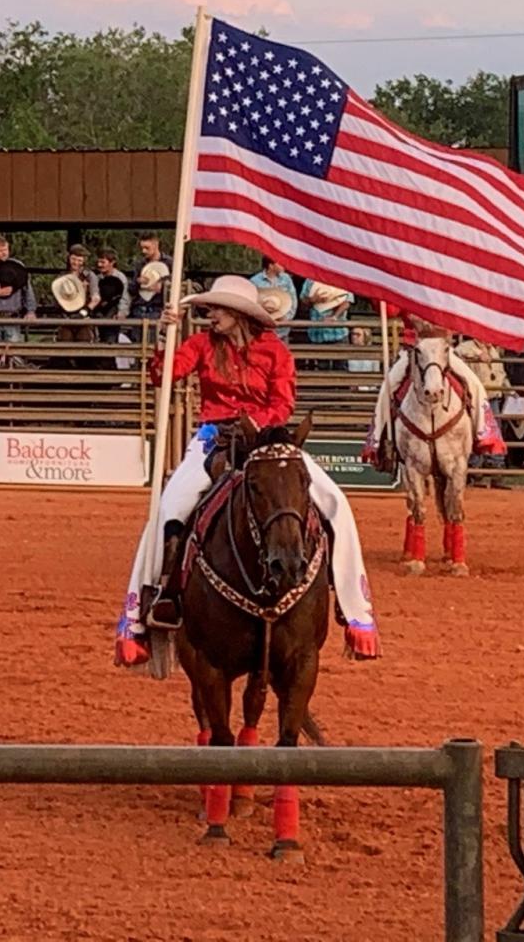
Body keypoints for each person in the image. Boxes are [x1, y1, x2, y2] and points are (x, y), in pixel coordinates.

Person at [115, 274, 380, 667]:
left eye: (216, 308)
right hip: (213, 438)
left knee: (335, 502)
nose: (209, 315)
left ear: (238, 314)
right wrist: (162, 338)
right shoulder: (201, 343)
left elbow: (283, 401)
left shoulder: (274, 351)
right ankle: (149, 608)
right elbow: (163, 376)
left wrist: (255, 426)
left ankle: (353, 608)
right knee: (169, 510)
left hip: (268, 438)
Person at [364, 313, 500, 470]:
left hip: (442, 350)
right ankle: (380, 443)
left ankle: (483, 436)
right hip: (414, 350)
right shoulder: (409, 290)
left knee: (475, 386)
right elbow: (393, 310)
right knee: (386, 389)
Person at [249, 256, 298, 342]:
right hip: (262, 327)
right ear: (271, 266)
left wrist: (286, 318)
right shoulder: (255, 281)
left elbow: (293, 300)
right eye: (279, 263)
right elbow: (250, 302)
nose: (283, 265)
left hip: (283, 328)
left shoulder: (286, 279)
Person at [129, 233, 171, 322]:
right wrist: (138, 282)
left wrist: (162, 285)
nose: (143, 251)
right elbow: (132, 289)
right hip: (139, 309)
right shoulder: (139, 264)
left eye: (147, 248)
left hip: (158, 309)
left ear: (156, 245)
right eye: (142, 248)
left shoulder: (170, 263)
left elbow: (177, 284)